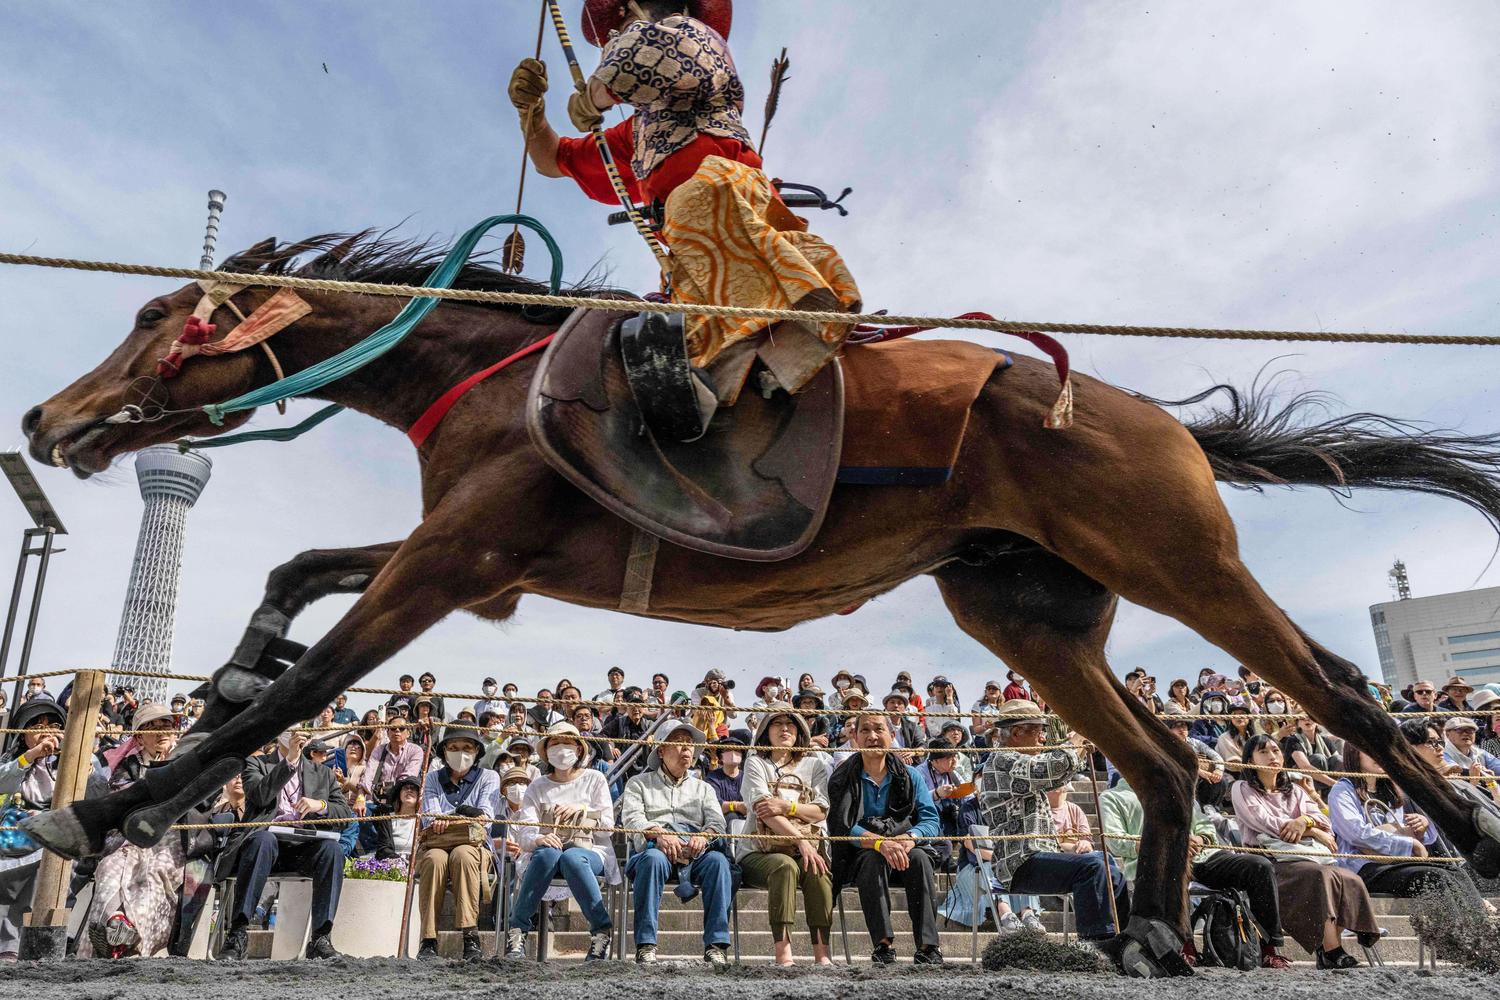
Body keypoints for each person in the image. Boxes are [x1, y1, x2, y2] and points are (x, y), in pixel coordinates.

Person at [507, 0, 860, 442]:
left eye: (612, 34)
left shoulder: (693, 38)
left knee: (695, 202)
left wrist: (593, 94)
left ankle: (764, 348)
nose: (609, 44)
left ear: (625, 13)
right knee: (664, 308)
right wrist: (531, 114)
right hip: (689, 250)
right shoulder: (637, 134)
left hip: (721, 200)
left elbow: (649, 52)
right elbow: (553, 160)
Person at [1100, 773, 1291, 969]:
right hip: (1157, 862)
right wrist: (1168, 843)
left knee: (1260, 866)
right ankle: (1185, 947)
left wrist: (1200, 840)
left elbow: (1204, 826)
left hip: (1203, 857)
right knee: (1177, 870)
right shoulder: (1112, 797)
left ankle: (1270, 949)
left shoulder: (1176, 791)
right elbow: (1115, 841)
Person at [977, 701, 1129, 943]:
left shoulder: (1013, 760)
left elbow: (1055, 771)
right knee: (1093, 868)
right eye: (1038, 731)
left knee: (1105, 862)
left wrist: (1077, 747)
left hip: (1036, 857)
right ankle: (1097, 943)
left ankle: (1122, 937)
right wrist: (1077, 739)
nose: (1043, 737)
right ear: (1017, 733)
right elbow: (1049, 769)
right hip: (1020, 863)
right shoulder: (1003, 760)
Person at [1230, 734, 1380, 968]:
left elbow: (1324, 821)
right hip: (1271, 860)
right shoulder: (1241, 788)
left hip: (1305, 855)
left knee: (1350, 878)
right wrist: (1310, 830)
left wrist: (1304, 822)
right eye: (1264, 752)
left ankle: (1329, 946)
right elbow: (1263, 821)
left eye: (1276, 751)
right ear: (1249, 758)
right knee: (1319, 876)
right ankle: (1332, 951)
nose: (1273, 756)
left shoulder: (1296, 791)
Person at [216, 727, 352, 960]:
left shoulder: (323, 773)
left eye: (300, 728)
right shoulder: (256, 764)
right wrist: (289, 760)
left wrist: (320, 805)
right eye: (289, 728)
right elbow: (259, 796)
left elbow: (345, 815)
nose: (294, 733)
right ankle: (238, 933)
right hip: (264, 845)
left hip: (302, 845)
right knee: (263, 839)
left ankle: (321, 937)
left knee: (332, 850)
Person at [77, 703, 199, 958]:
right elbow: (118, 801)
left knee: (154, 876)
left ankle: (133, 944)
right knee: (110, 867)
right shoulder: (126, 765)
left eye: (166, 725)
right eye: (152, 727)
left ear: (176, 730)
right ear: (139, 735)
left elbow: (200, 803)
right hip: (126, 838)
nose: (161, 732)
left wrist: (168, 767)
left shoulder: (189, 763)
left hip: (171, 840)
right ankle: (113, 927)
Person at [828, 712, 943, 964]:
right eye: (865, 731)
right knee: (872, 859)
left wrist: (910, 837)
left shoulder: (910, 775)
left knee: (920, 858)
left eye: (879, 730)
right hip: (861, 853)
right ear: (855, 738)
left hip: (904, 846)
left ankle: (927, 946)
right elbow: (842, 826)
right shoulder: (842, 776)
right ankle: (882, 945)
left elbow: (931, 820)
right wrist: (880, 843)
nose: (872, 737)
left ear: (892, 736)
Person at [0, 698, 106, 961]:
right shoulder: (14, 761)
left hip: (57, 834)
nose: (45, 730)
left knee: (49, 863)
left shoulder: (81, 758)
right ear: (23, 733)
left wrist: (84, 768)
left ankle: (23, 945)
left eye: (53, 724)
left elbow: (98, 796)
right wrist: (32, 756)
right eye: (36, 724)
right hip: (11, 833)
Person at [618, 722, 732, 965]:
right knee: (652, 860)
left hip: (696, 851)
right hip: (656, 848)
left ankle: (716, 945)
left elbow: (717, 822)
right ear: (660, 751)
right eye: (679, 741)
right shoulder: (638, 783)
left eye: (690, 744)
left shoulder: (704, 788)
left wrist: (703, 836)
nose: (686, 749)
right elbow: (632, 818)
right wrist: (658, 833)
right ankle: (646, 945)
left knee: (719, 862)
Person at [506, 722, 617, 961]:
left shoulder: (595, 779)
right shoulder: (537, 786)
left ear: (579, 749)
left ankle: (601, 930)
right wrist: (540, 838)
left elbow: (608, 826)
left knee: (572, 857)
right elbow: (525, 833)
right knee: (548, 854)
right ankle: (517, 931)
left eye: (567, 743)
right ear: (546, 751)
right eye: (554, 743)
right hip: (546, 852)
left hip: (589, 850)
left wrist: (583, 810)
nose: (561, 748)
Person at [1327, 741, 1482, 905]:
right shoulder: (1342, 790)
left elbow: (1403, 832)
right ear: (1354, 754)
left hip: (1397, 862)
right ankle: (1458, 928)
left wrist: (1421, 827)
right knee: (1435, 877)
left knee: (1455, 873)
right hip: (1363, 867)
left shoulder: (1390, 789)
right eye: (1370, 751)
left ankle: (1477, 925)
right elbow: (1356, 833)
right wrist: (1409, 844)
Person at [737, 705, 833, 966]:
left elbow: (821, 810)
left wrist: (788, 807)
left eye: (790, 724)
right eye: (777, 723)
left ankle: (822, 954)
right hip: (759, 852)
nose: (784, 728)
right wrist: (801, 839)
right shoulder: (756, 762)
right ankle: (783, 953)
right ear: (765, 731)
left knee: (819, 871)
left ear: (800, 731)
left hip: (806, 850)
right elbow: (764, 811)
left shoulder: (814, 765)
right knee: (785, 866)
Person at [416, 729, 501, 961]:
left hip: (475, 846)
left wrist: (450, 816)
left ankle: (470, 935)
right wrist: (464, 813)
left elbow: (485, 816)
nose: (460, 753)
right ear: (444, 751)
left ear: (477, 751)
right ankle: (428, 940)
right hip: (437, 844)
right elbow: (430, 818)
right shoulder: (432, 778)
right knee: (434, 860)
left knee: (462, 855)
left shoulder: (489, 777)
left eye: (467, 748)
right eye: (453, 748)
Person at [357, 718, 422, 818]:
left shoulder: (415, 751)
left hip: (401, 804)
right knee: (357, 814)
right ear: (387, 733)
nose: (397, 731)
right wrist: (360, 799)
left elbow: (407, 778)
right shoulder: (379, 750)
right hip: (377, 802)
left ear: (408, 733)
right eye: (393, 728)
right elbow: (367, 777)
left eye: (401, 728)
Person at [1442, 716, 1500, 789]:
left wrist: (1491, 782)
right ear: (1447, 734)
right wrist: (1479, 775)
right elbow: (1457, 773)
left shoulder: (1481, 753)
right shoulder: (1443, 755)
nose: (1465, 734)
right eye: (1459, 730)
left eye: (1470, 730)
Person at [704, 737, 746, 825]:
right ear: (721, 757)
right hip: (721, 821)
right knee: (731, 816)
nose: (733, 753)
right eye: (728, 750)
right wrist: (736, 806)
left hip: (747, 820)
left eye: (737, 750)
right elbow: (715, 804)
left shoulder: (748, 777)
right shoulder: (712, 777)